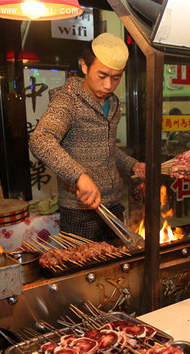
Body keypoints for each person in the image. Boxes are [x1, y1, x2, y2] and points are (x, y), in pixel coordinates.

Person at [30, 33, 145, 241]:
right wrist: (79, 176)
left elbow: (106, 148)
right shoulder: (68, 100)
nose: (108, 85)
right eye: (102, 75)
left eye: (116, 77)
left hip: (113, 204)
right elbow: (41, 140)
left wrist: (133, 165)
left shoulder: (113, 104)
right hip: (80, 212)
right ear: (84, 66)